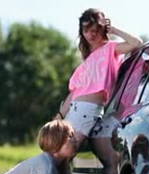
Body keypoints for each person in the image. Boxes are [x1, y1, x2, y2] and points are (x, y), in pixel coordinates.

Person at [57, 8, 143, 149]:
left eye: (94, 30)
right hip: (75, 110)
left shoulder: (110, 49)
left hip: (88, 110)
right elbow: (74, 93)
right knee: (59, 151)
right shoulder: (88, 60)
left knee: (64, 151)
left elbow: (137, 43)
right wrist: (60, 116)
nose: (90, 35)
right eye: (86, 31)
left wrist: (113, 30)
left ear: (102, 29)